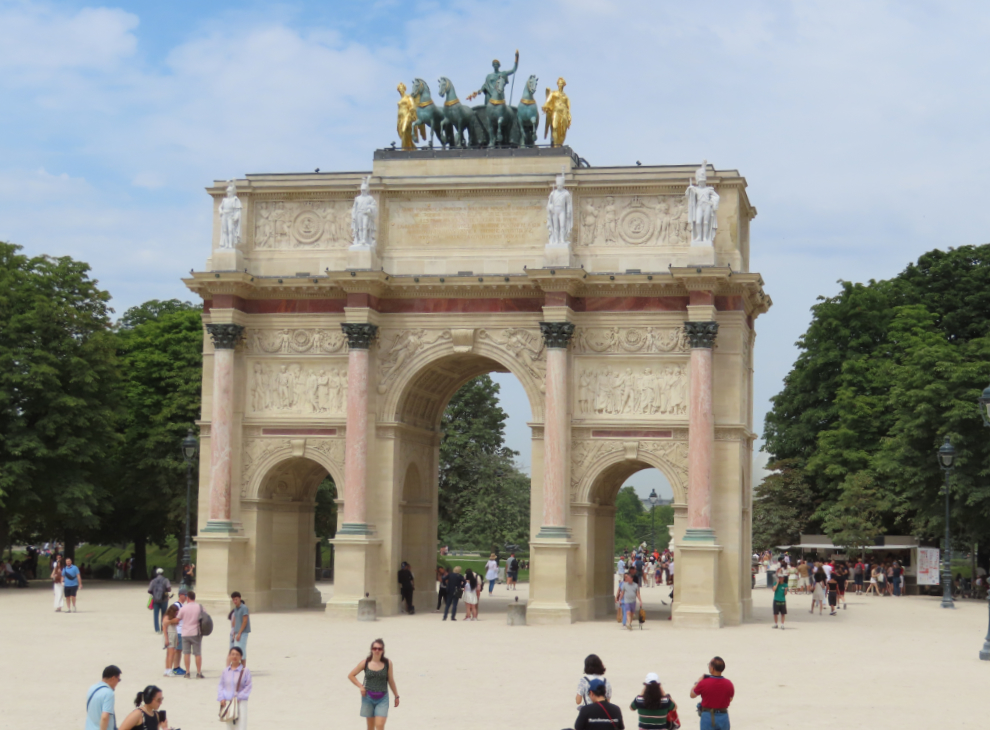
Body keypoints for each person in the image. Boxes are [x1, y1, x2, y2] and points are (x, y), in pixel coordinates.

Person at [347, 639, 400, 730]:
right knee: (370, 727)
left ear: (383, 650)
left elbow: (391, 680)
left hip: (382, 698)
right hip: (368, 698)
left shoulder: (388, 663)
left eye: (379, 649)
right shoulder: (365, 663)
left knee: (379, 725)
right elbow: (351, 675)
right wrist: (361, 686)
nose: (377, 651)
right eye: (375, 648)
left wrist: (396, 696)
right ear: (371, 649)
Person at [690, 657, 734, 730]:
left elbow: (692, 694)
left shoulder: (703, 683)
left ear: (712, 668)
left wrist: (698, 682)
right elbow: (730, 699)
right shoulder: (729, 683)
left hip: (707, 716)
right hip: (723, 716)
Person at [218, 647, 252, 729]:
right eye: (232, 654)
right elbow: (221, 685)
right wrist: (221, 698)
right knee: (229, 725)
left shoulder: (245, 671)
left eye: (237, 655)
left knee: (241, 725)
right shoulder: (225, 671)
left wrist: (240, 696)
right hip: (228, 701)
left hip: (241, 702)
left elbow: (248, 685)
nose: (234, 656)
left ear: (241, 657)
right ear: (229, 656)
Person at [176, 589, 204, 678]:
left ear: (187, 598)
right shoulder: (200, 607)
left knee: (186, 653)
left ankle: (187, 672)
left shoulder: (183, 608)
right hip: (196, 632)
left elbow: (178, 619)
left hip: (185, 633)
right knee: (197, 653)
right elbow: (206, 618)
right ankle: (198, 672)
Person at [86, 665, 121, 730]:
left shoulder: (92, 688)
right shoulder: (109, 693)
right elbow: (104, 717)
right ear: (113, 678)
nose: (117, 683)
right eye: (118, 680)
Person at [170, 589, 189, 675]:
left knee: (179, 650)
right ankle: (175, 667)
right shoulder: (176, 605)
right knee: (177, 650)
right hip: (178, 630)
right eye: (185, 596)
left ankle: (177, 666)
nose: (186, 597)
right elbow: (171, 618)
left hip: (181, 630)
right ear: (181, 595)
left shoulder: (182, 605)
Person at [148, 568, 171, 634]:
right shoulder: (166, 580)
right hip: (164, 599)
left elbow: (149, 590)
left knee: (156, 614)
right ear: (163, 573)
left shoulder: (153, 581)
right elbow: (169, 589)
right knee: (164, 614)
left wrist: (154, 593)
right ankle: (163, 628)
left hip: (155, 600)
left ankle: (157, 629)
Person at [230, 591, 251, 661]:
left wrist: (239, 633)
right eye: (233, 600)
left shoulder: (244, 608)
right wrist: (234, 632)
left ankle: (243, 669)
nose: (235, 601)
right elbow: (235, 621)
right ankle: (239, 668)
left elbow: (245, 621)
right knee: (237, 651)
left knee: (241, 652)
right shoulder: (236, 608)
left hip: (243, 632)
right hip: (237, 632)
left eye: (236, 599)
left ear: (240, 598)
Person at [162, 605, 180, 677]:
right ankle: (169, 669)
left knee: (170, 653)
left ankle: (167, 669)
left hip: (174, 635)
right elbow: (164, 627)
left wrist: (177, 639)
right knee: (171, 654)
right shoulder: (166, 617)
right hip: (169, 636)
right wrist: (166, 639)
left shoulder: (173, 617)